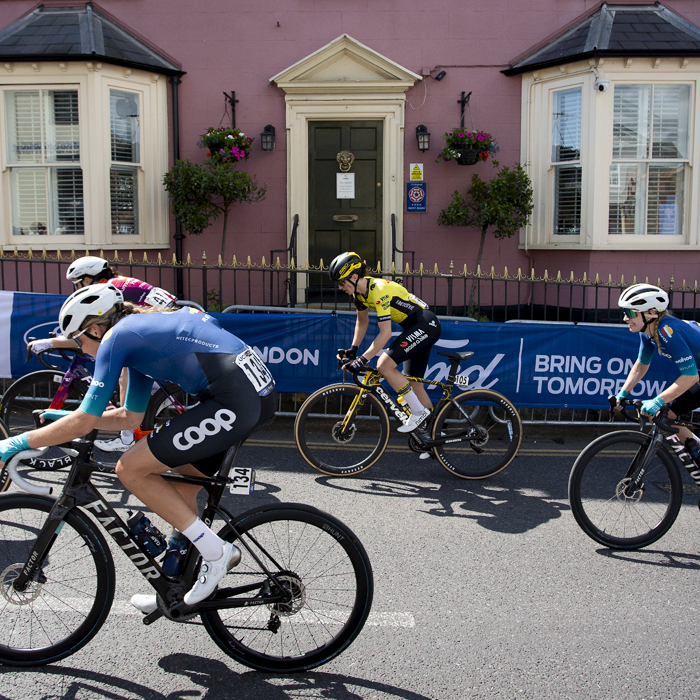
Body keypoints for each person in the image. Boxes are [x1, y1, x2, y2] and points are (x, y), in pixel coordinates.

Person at [0, 283, 276, 611]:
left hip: (234, 399)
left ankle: (216, 553)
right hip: (250, 394)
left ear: (96, 327)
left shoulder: (115, 340)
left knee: (130, 468)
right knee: (179, 487)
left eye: (78, 340)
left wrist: (13, 443)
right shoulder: (136, 339)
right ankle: (174, 591)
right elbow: (130, 418)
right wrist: (66, 416)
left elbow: (85, 422)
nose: (80, 350)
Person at [27, 255, 177, 453]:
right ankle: (152, 403)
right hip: (169, 323)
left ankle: (127, 436)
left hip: (165, 328)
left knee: (126, 369)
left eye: (77, 283)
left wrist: (50, 342)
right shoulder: (116, 284)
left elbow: (95, 334)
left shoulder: (108, 292)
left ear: (88, 279)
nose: (77, 287)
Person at [329, 251, 441, 437]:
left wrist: (362, 360)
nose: (340, 287)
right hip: (416, 326)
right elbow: (362, 322)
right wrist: (353, 350)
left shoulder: (378, 291)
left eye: (342, 282)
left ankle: (419, 413)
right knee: (414, 384)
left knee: (384, 365)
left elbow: (385, 333)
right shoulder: (360, 294)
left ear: (355, 277)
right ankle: (434, 437)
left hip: (425, 324)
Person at [615, 282, 700, 458]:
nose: (625, 318)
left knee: (660, 408)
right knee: (665, 415)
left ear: (651, 313)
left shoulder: (667, 330)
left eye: (630, 313)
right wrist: (622, 393)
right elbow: (641, 365)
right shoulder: (647, 331)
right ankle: (694, 447)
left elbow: (690, 376)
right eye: (624, 312)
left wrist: (656, 401)